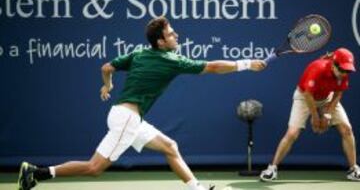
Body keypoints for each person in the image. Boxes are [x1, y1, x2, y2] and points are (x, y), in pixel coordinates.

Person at [18, 17, 266, 190]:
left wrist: (107, 84)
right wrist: (245, 64)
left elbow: (106, 67)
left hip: (127, 117)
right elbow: (211, 67)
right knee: (94, 167)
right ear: (160, 42)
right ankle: (37, 173)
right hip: (127, 119)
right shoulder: (171, 59)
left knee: (170, 146)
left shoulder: (138, 53)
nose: (176, 35)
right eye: (170, 34)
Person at [260, 48, 360, 182]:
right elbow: (308, 94)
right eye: (342, 70)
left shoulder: (343, 72)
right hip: (304, 97)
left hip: (327, 97)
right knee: (292, 133)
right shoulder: (317, 68)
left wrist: (327, 115)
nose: (344, 73)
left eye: (347, 71)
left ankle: (353, 169)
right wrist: (316, 117)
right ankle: (271, 169)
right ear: (333, 63)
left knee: (347, 130)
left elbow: (338, 93)